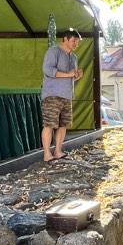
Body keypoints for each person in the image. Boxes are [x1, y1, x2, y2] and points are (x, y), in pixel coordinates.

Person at [41, 29, 83, 162]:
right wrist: (69, 74)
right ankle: (47, 154)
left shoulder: (74, 57)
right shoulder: (53, 51)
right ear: (65, 39)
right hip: (52, 95)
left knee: (63, 125)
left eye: (77, 41)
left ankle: (58, 151)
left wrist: (77, 76)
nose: (76, 44)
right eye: (73, 41)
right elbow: (47, 70)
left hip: (67, 96)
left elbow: (69, 77)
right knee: (49, 124)